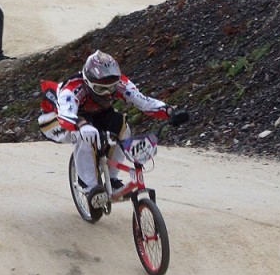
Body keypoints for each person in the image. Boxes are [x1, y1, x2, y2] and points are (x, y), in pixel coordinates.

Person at [40, 50, 181, 205]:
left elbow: (144, 102)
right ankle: (88, 185)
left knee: (122, 126)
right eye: (101, 89)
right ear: (88, 82)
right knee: (85, 136)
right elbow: (65, 114)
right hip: (56, 118)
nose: (107, 94)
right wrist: (80, 124)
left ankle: (112, 178)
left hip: (95, 114)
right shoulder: (73, 87)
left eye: (111, 88)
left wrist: (169, 111)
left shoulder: (121, 83)